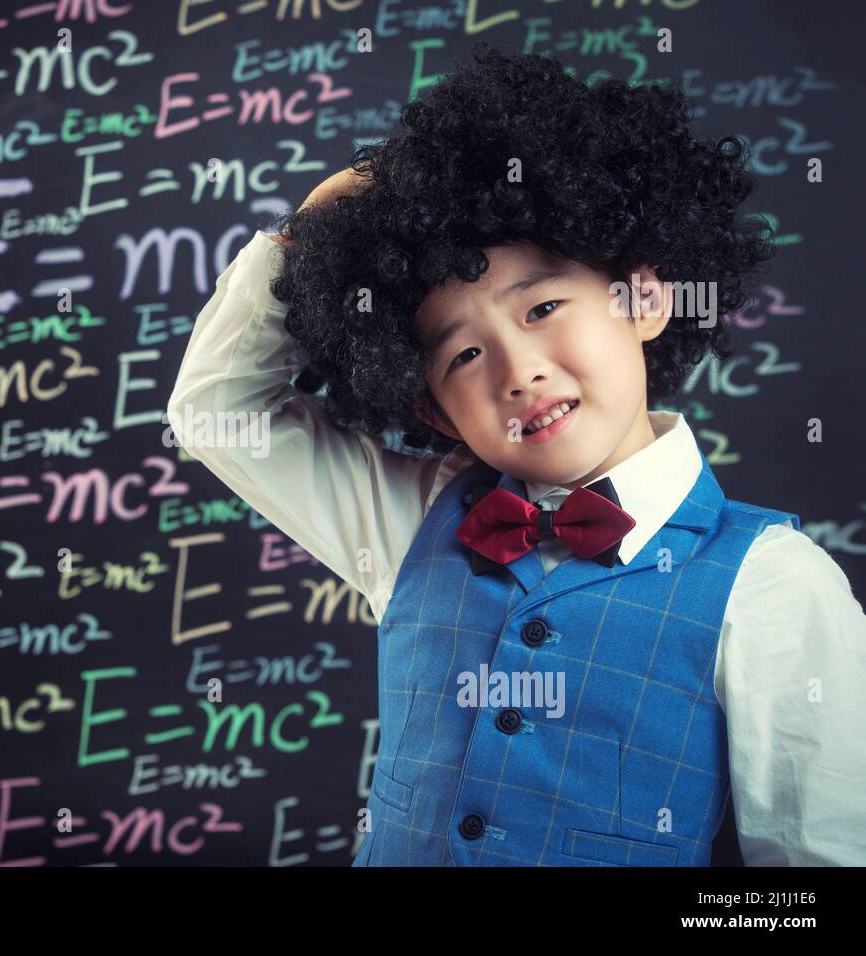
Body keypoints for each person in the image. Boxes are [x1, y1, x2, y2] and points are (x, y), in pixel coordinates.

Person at [167, 43, 866, 866]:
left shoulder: (775, 585)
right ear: (434, 408)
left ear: (643, 298)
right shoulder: (408, 522)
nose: (517, 370)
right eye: (462, 355)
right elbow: (217, 413)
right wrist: (303, 235)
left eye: (542, 306)